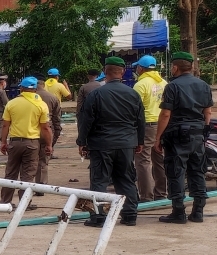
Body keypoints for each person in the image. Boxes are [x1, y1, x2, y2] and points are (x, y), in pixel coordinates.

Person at [77, 58, 144, 227]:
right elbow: (140, 120)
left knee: (99, 180)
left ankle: (99, 217)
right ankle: (129, 215)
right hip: (126, 144)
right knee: (126, 180)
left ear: (105, 72)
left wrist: (82, 141)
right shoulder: (133, 94)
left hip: (101, 144)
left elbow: (86, 121)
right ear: (122, 72)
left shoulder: (96, 94)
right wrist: (139, 141)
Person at [154, 52, 214, 224]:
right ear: (192, 67)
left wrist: (158, 137)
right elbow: (208, 111)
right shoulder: (203, 85)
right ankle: (198, 211)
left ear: (175, 67)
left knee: (176, 172)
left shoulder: (172, 86)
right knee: (197, 171)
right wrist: (204, 129)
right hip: (197, 133)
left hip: (177, 135)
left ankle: (178, 212)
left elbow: (166, 113)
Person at [0, 76, 53, 206]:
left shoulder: (12, 103)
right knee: (28, 175)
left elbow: (5, 125)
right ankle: (25, 203)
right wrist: (49, 145)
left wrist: (3, 142)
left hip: (14, 142)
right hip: (32, 144)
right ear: (35, 89)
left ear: (21, 88)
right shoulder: (41, 105)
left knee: (10, 173)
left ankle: (5, 202)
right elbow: (45, 128)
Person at [133, 55, 167, 201]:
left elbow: (134, 108)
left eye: (137, 67)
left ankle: (146, 196)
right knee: (160, 159)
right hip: (163, 124)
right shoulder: (164, 83)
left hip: (147, 125)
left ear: (141, 68)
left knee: (143, 160)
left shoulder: (140, 85)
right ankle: (161, 194)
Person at [35, 81, 63, 183]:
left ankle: (25, 186)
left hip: (29, 132)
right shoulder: (52, 98)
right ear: (44, 85)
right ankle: (41, 185)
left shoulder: (22, 99)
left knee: (28, 161)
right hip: (46, 131)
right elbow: (57, 118)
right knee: (43, 160)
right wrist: (57, 132)